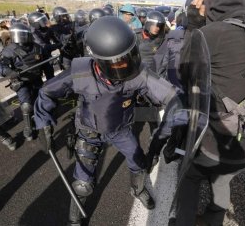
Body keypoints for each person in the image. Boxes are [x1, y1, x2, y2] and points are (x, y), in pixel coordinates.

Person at [34, 16, 178, 225]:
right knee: (83, 183)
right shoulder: (81, 73)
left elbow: (168, 94)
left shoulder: (137, 72)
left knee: (138, 161)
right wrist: (43, 124)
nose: (124, 66)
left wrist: (181, 108)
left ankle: (138, 189)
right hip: (89, 131)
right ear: (98, 60)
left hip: (120, 129)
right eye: (116, 62)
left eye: (127, 57)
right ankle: (75, 216)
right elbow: (47, 92)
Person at [171, 0, 245, 225]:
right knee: (222, 179)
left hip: (215, 142)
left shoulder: (214, 34)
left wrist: (194, 23)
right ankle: (213, 221)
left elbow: (185, 73)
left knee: (190, 178)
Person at [0, 23, 44, 141]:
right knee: (26, 106)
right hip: (21, 82)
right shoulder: (10, 50)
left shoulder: (37, 47)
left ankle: (40, 119)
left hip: (36, 79)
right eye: (25, 34)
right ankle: (28, 128)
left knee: (41, 101)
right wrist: (10, 72)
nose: (27, 36)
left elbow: (44, 60)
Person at [28, 11, 60, 79]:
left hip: (46, 55)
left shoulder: (44, 29)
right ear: (35, 23)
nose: (44, 22)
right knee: (37, 78)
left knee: (50, 75)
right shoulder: (32, 32)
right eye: (42, 21)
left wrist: (59, 41)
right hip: (37, 57)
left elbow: (53, 37)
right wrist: (58, 45)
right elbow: (43, 46)